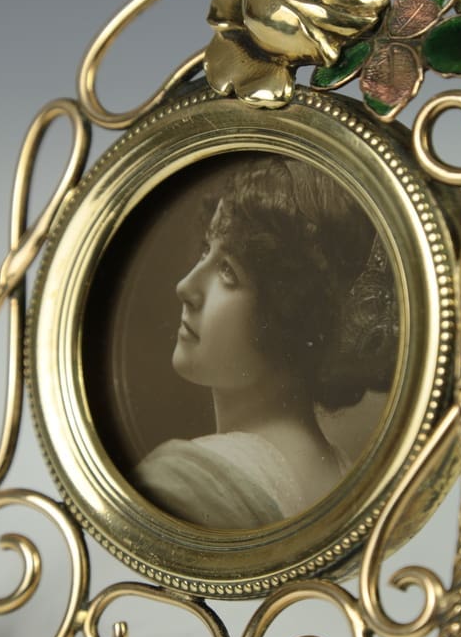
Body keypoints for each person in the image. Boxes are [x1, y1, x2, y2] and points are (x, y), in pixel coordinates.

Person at [132, 153, 398, 529]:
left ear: (293, 310)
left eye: (228, 271)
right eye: (206, 250)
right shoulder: (343, 477)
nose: (185, 286)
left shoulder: (183, 484)